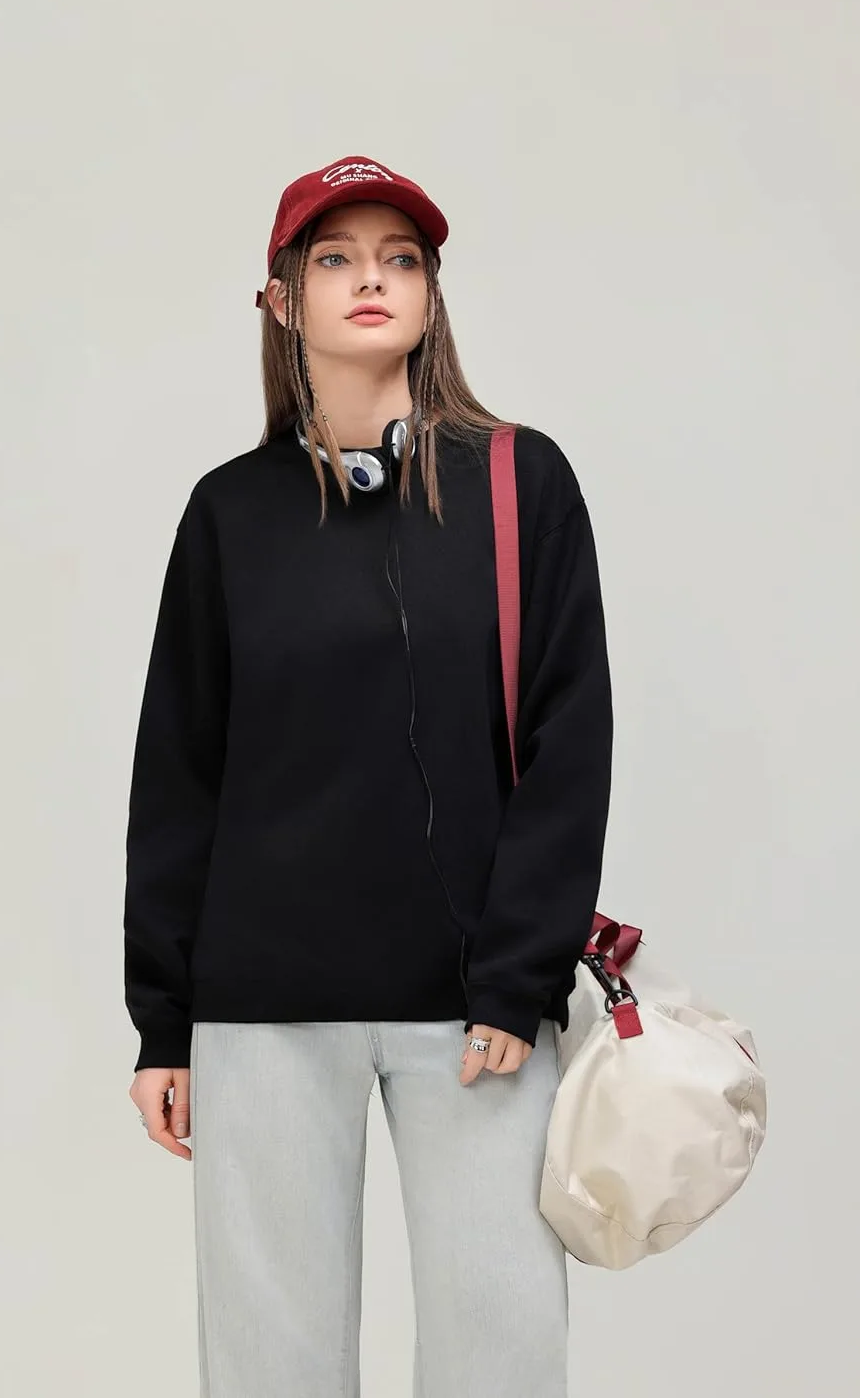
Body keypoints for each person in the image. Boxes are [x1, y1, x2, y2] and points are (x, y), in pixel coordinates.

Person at [122, 155, 613, 1398]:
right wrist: (164, 1021)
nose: (370, 279)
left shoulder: (521, 484)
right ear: (281, 299)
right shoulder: (229, 514)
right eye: (334, 258)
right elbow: (179, 771)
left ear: (432, 294)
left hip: (476, 1013)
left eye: (400, 258)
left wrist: (518, 977)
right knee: (269, 1366)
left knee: (502, 1355)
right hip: (262, 1011)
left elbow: (570, 742)